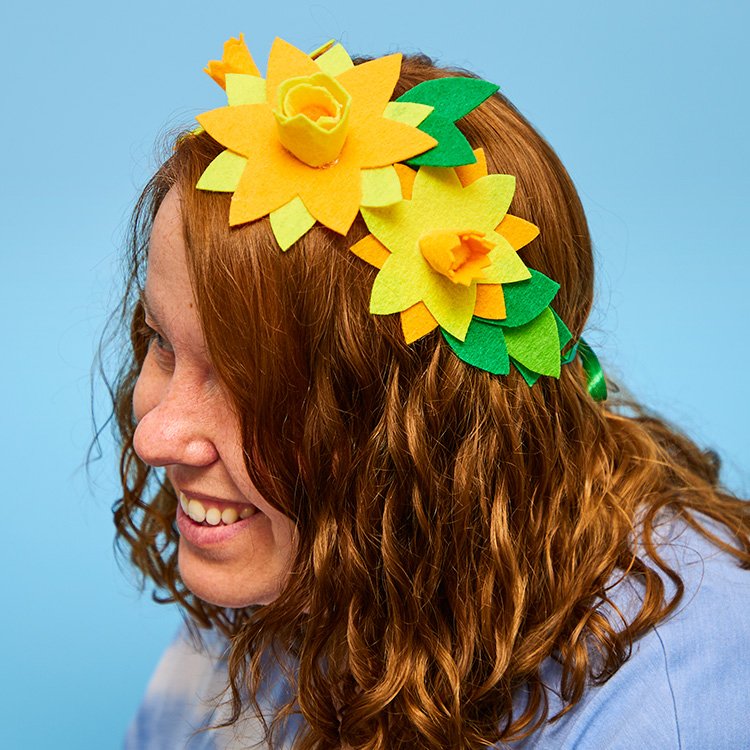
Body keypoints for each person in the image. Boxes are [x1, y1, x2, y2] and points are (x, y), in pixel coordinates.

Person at [114, 35, 750, 749]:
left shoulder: (677, 699)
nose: (154, 436)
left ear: (427, 423)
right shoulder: (309, 557)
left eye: (251, 382)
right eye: (163, 343)